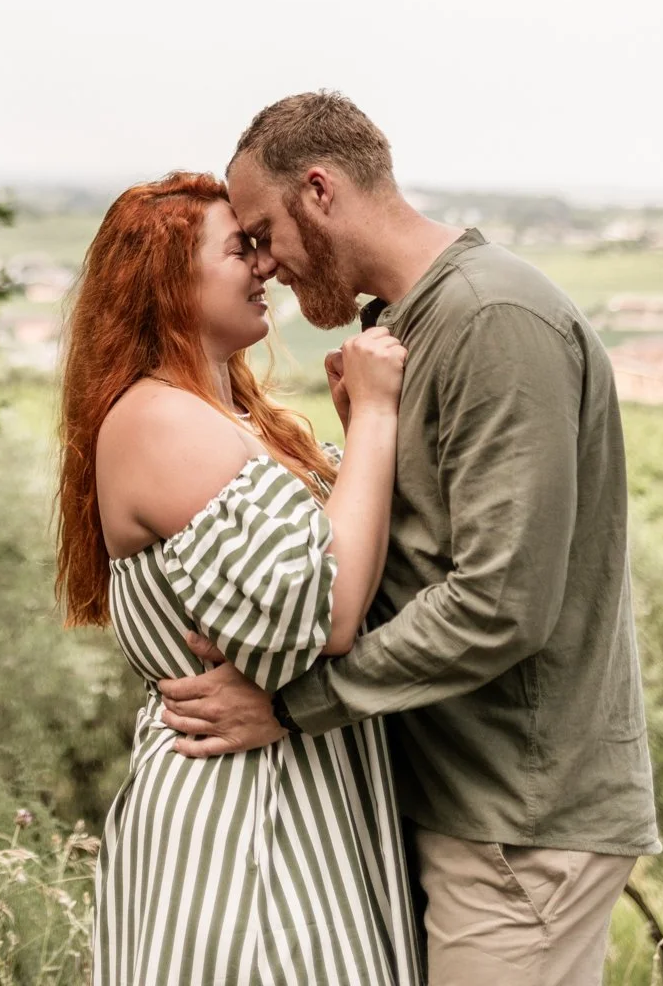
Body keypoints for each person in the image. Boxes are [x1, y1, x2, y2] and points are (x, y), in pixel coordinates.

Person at [157, 92, 659, 986]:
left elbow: (500, 604)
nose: (263, 263)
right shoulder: (401, 327)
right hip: (463, 804)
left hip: (519, 823)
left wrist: (285, 708)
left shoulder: (493, 320)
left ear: (318, 189)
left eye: (264, 231)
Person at [56, 171, 424, 986]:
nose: (263, 265)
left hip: (294, 786)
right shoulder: (157, 418)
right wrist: (375, 419)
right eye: (239, 248)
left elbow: (333, 545)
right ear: (168, 282)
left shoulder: (225, 417)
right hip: (242, 816)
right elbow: (326, 612)